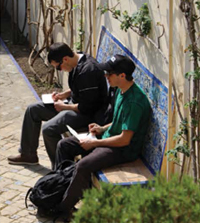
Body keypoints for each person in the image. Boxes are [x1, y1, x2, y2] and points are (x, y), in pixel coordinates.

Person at [54, 54, 151, 219]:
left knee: (83, 165)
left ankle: (63, 210)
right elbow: (119, 121)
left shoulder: (134, 102)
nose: (105, 77)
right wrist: (101, 128)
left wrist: (94, 144)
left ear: (122, 75)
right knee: (64, 145)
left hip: (122, 149)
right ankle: (58, 188)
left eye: (109, 74)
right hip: (109, 138)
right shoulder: (121, 90)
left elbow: (124, 139)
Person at [8, 42, 109, 168]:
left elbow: (87, 107)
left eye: (58, 67)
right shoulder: (78, 62)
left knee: (48, 129)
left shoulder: (88, 71)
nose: (59, 70)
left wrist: (64, 107)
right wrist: (63, 95)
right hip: (75, 106)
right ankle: (28, 154)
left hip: (87, 115)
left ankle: (60, 169)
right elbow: (80, 89)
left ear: (65, 59)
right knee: (33, 110)